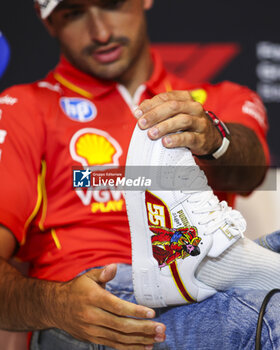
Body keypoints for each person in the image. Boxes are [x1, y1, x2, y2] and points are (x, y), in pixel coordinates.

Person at [0, 0, 278, 349]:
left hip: (205, 277)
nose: (100, 33)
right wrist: (55, 305)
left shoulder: (217, 99)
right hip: (100, 312)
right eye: (73, 13)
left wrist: (213, 137)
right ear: (48, 23)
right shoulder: (23, 109)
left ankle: (197, 263)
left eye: (111, 4)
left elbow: (250, 171)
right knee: (272, 317)